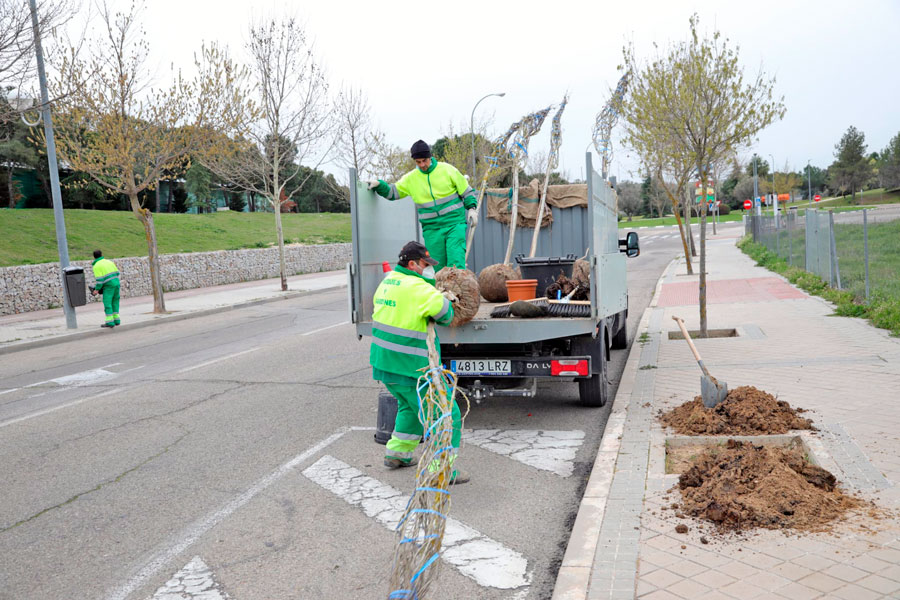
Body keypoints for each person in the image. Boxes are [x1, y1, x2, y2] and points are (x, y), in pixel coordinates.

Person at [369, 240, 468, 484]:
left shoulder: (388, 281)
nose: (428, 269)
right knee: (446, 415)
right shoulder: (419, 288)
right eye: (425, 264)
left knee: (408, 407)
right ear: (412, 264)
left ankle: (397, 454)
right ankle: (440, 470)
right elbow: (446, 316)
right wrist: (444, 296)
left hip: (385, 364)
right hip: (412, 367)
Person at [367, 140, 478, 272]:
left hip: (454, 224)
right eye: (418, 162)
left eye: (424, 160)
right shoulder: (411, 179)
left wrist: (471, 208)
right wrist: (379, 185)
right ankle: (441, 293)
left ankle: (458, 292)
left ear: (430, 157)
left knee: (456, 263)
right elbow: (393, 192)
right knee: (437, 268)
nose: (422, 165)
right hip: (432, 229)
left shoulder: (448, 170)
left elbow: (466, 191)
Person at [91, 250, 121, 328]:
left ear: (94, 257)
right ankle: (117, 320)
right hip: (116, 284)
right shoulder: (109, 262)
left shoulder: (96, 266)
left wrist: (96, 290)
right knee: (115, 302)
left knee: (108, 303)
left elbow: (100, 280)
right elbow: (117, 273)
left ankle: (110, 322)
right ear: (102, 254)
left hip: (108, 286)